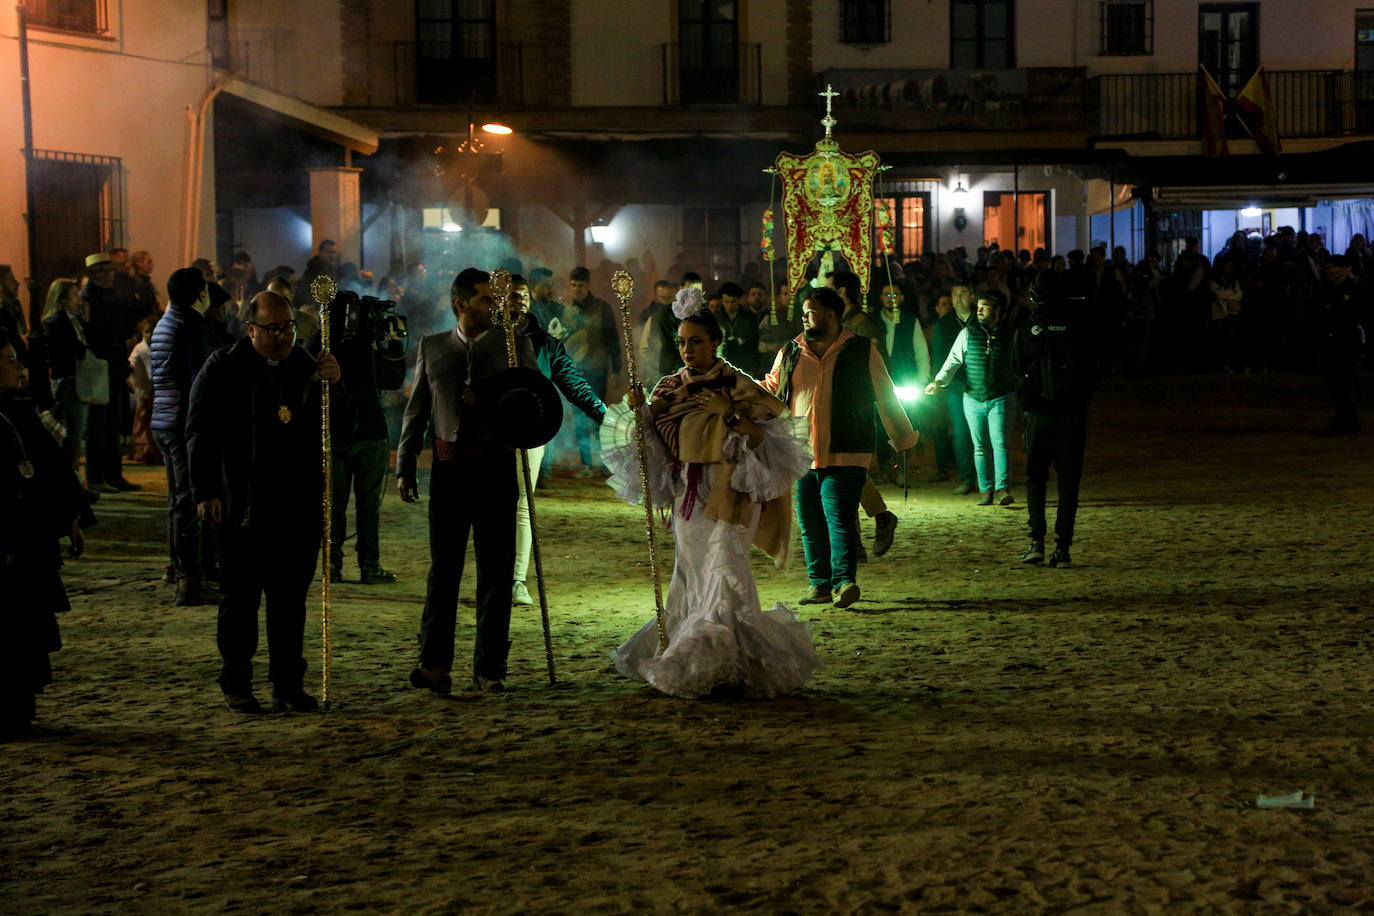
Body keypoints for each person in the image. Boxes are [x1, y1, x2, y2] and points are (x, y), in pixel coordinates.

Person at [602, 287, 818, 697]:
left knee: (725, 572)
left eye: (696, 342)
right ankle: (702, 659)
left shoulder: (739, 385)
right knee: (692, 574)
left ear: (716, 342)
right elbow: (648, 442)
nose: (687, 350)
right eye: (682, 342)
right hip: (688, 497)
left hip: (732, 492)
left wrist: (729, 413)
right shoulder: (669, 389)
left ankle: (731, 662)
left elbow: (766, 437)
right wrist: (641, 411)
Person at [186, 291, 341, 713]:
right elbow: (199, 433)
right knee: (240, 600)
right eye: (272, 329)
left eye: (288, 327)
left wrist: (335, 385)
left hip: (296, 506)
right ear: (250, 328)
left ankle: (288, 684)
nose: (282, 336)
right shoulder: (223, 367)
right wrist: (205, 491)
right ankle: (237, 682)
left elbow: (340, 427)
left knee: (289, 601)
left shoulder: (307, 367)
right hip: (242, 505)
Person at [399, 268, 539, 696]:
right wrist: (405, 462)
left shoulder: (514, 345)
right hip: (449, 472)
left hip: (496, 469)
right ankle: (434, 664)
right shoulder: (433, 346)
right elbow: (417, 408)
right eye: (485, 300)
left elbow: (535, 402)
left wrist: (520, 422)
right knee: (444, 570)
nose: (495, 307)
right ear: (461, 305)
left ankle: (490, 668)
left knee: (496, 570)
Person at [763, 287, 917, 609]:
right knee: (810, 522)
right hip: (801, 451)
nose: (805, 318)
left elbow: (885, 394)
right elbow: (770, 389)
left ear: (831, 315)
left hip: (848, 449)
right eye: (804, 312)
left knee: (839, 519)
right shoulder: (790, 352)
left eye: (811, 312)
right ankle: (819, 584)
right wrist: (735, 390)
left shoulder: (862, 350)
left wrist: (902, 436)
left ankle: (844, 581)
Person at [0, 331, 96, 739]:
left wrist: (70, 516)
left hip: (30, 537)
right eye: (9, 361)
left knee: (28, 628)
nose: (18, 368)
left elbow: (52, 466)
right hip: (8, 538)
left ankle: (20, 709)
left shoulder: (18, 410)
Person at [511, 276, 606, 606]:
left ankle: (516, 579)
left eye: (523, 295)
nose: (519, 301)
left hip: (530, 432)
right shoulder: (486, 340)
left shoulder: (544, 343)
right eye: (512, 295)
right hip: (489, 434)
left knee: (523, 505)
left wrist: (603, 414)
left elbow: (572, 382)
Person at [312, 291, 406, 584]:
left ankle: (332, 565)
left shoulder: (322, 344)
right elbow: (393, 378)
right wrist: (393, 340)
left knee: (334, 505)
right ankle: (369, 566)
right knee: (367, 506)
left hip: (337, 433)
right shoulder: (367, 347)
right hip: (368, 433)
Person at [1012, 272, 1094, 568]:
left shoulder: (1027, 326)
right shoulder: (1078, 325)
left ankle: (1036, 542)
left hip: (1038, 414)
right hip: (1071, 414)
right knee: (1068, 482)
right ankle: (1063, 548)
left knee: (1035, 478)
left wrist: (1029, 399)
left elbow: (1016, 366)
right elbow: (1092, 366)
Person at [151, 267, 222, 606]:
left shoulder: (165, 322)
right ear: (201, 295)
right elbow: (202, 380)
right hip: (183, 422)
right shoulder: (193, 325)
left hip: (163, 419)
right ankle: (188, 580)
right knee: (189, 500)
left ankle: (178, 567)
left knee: (176, 500)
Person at [927, 290, 1017, 507]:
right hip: (973, 397)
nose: (980, 311)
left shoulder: (1010, 335)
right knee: (980, 446)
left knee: (1000, 443)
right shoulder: (967, 333)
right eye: (979, 307)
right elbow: (953, 360)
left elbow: (1020, 362)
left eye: (985, 307)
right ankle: (986, 491)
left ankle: (1002, 488)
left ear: (997, 310)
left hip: (1001, 395)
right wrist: (938, 381)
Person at [564, 266, 620, 476]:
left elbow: (613, 340)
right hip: (574, 370)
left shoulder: (602, 308)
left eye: (580, 285)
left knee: (597, 415)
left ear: (588, 285)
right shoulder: (565, 309)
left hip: (597, 368)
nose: (576, 289)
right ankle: (586, 464)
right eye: (573, 285)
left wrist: (616, 369)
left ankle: (604, 463)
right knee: (579, 418)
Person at [40, 278, 93, 478]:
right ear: (62, 300)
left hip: (78, 378)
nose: (78, 299)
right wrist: (81, 349)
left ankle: (74, 476)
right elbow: (70, 349)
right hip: (66, 379)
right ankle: (71, 477)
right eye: (74, 295)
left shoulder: (74, 319)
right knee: (72, 432)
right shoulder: (55, 322)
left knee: (76, 431)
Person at [931, 284, 978, 495]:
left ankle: (987, 478)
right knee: (960, 431)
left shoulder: (980, 319)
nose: (958, 298)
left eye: (963, 293)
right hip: (956, 385)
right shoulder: (945, 323)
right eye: (955, 294)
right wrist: (940, 380)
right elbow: (939, 354)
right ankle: (967, 477)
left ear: (972, 297)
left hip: (980, 382)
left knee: (982, 432)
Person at [1313, 255, 1365, 436]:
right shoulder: (1327, 288)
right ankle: (1347, 419)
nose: (1329, 270)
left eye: (1332, 267)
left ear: (1344, 269)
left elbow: (1352, 315)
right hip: (1330, 341)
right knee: (1334, 384)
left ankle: (1345, 421)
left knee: (1342, 384)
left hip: (1345, 342)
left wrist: (1331, 311)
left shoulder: (1353, 289)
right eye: (1327, 267)